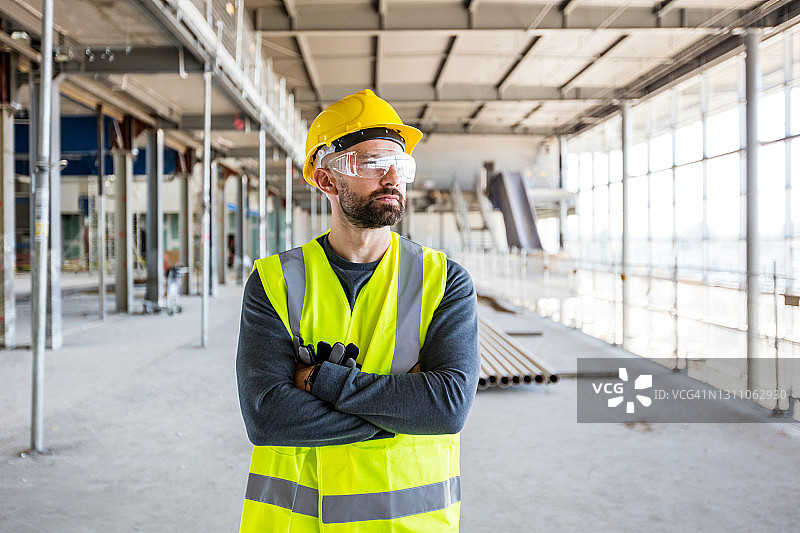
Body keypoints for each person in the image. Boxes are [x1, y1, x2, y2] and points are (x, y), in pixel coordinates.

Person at [236, 89, 480, 532]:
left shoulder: (444, 281)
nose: (392, 177)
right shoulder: (274, 282)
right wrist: (402, 411)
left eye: (399, 163)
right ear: (327, 180)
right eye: (372, 163)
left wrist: (319, 380)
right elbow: (267, 418)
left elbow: (446, 409)